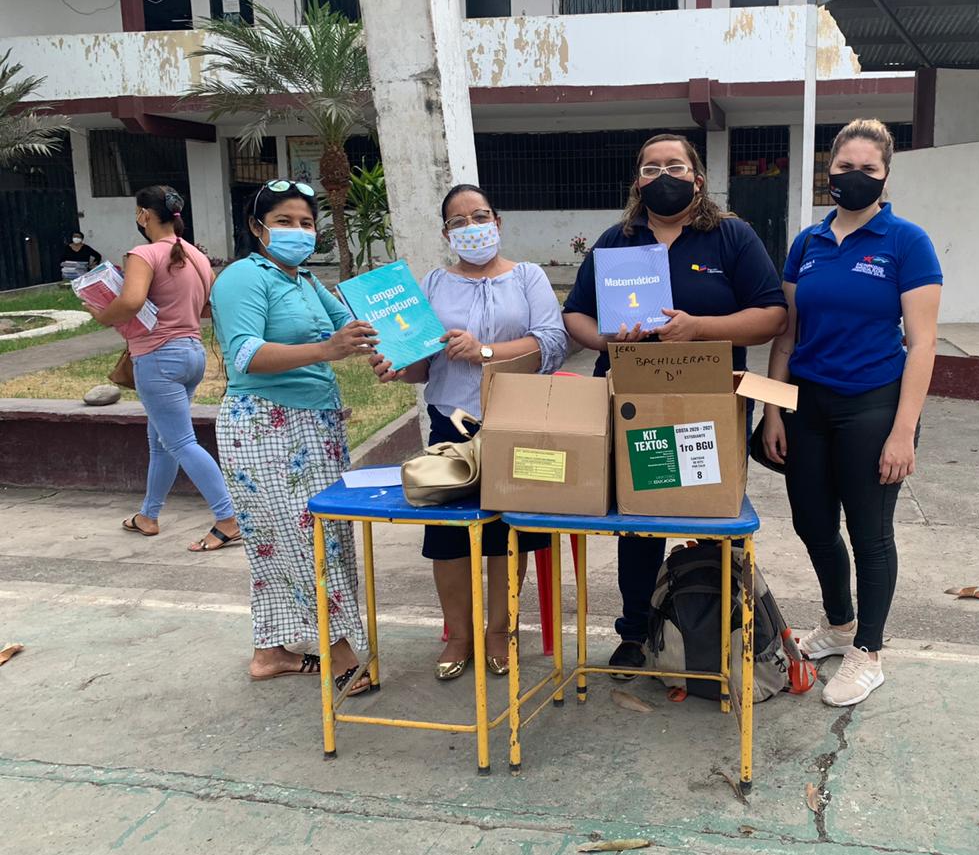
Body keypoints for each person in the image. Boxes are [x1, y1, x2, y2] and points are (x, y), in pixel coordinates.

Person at [563, 133, 788, 677]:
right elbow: (575, 315)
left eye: (675, 166)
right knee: (639, 519)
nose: (663, 176)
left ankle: (712, 631)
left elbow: (772, 315)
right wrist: (608, 339)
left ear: (697, 179)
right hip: (633, 402)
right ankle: (636, 632)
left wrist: (699, 328)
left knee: (710, 516)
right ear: (637, 182)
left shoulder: (731, 237)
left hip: (708, 404)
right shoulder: (617, 242)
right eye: (650, 168)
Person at [762, 119, 943, 708]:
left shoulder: (906, 242)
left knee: (870, 533)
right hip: (807, 404)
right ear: (829, 170)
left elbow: (923, 343)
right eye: (845, 167)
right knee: (813, 524)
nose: (854, 177)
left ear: (885, 175)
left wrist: (903, 431)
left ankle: (868, 651)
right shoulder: (808, 243)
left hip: (873, 405)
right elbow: (787, 334)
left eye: (868, 168)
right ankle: (839, 625)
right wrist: (774, 410)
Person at [370, 184, 568, 681]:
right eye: (458, 222)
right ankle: (458, 634)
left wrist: (485, 353)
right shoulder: (433, 284)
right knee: (448, 537)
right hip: (451, 424)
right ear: (446, 234)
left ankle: (500, 631)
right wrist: (396, 367)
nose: (471, 228)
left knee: (506, 533)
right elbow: (423, 364)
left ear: (497, 223)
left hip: (517, 419)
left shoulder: (528, 276)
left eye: (480, 217)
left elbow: (552, 343)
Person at [211, 179, 379, 694]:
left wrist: (394, 345)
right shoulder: (243, 277)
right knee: (305, 541)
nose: (298, 232)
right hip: (265, 424)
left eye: (306, 223)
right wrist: (328, 350)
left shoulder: (304, 280)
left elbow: (353, 328)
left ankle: (270, 653)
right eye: (284, 221)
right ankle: (340, 652)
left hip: (315, 424)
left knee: (288, 542)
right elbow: (245, 354)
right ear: (256, 227)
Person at [84, 185, 239, 554]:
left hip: (157, 358)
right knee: (161, 442)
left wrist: (103, 316)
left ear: (144, 215)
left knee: (180, 442)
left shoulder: (143, 254)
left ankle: (229, 519)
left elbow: (132, 301)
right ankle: (148, 515)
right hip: (192, 355)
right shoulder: (196, 256)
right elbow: (208, 306)